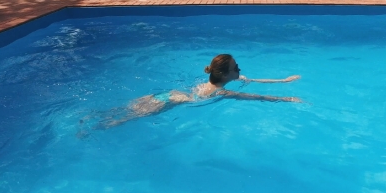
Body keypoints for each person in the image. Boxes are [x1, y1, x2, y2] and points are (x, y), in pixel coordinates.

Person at [91, 54, 301, 130]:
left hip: (168, 94)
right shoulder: (220, 93)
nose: (240, 70)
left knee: (119, 111)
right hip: (170, 102)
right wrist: (287, 99)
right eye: (236, 68)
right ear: (226, 75)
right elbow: (257, 97)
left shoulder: (212, 82)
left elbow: (252, 80)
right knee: (119, 121)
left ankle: (93, 117)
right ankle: (92, 127)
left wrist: (283, 80)